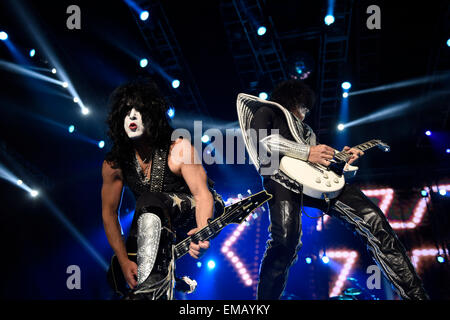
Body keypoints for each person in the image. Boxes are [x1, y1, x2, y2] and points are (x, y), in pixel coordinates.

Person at [236, 79, 429, 300]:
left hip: (317, 184)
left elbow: (317, 165)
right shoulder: (266, 111)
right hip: (281, 180)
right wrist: (307, 152)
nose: (306, 113)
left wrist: (341, 160)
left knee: (374, 221)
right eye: (305, 108)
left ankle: (417, 296)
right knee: (286, 243)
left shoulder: (307, 131)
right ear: (296, 100)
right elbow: (260, 140)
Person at [101, 78, 222, 300]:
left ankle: (151, 288)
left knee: (150, 201)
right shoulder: (115, 163)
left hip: (189, 213)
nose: (132, 116)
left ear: (153, 116)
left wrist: (204, 231)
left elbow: (203, 195)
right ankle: (160, 281)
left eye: (140, 110)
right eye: (126, 111)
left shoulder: (179, 148)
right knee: (116, 276)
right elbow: (109, 214)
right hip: (154, 226)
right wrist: (124, 260)